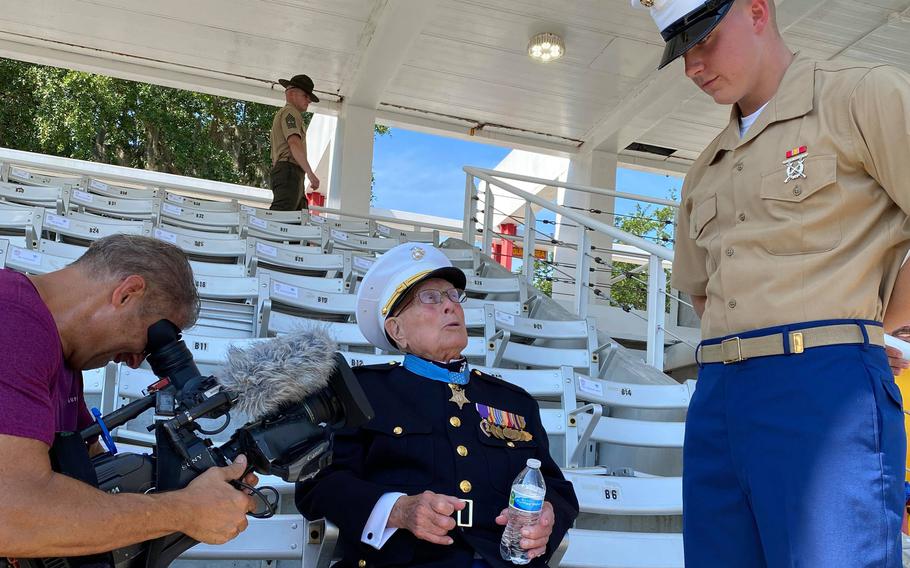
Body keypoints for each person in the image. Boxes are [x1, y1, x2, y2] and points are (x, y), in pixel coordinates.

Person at [638, 0, 910, 565]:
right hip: (718, 392)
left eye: (705, 39)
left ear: (757, 10)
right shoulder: (704, 167)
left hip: (824, 384)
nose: (692, 66)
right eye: (681, 50)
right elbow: (701, 288)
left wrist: (871, 328)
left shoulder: (861, 96)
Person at [295, 243, 578, 568]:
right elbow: (318, 485)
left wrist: (548, 517)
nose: (450, 307)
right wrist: (398, 510)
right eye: (430, 298)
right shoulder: (360, 391)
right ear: (396, 330)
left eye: (453, 296)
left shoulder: (513, 401)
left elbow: (556, 488)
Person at [0, 234, 257, 558]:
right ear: (126, 294)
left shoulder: (61, 354)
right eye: (149, 339)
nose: (137, 360)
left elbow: (86, 474)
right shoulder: (12, 322)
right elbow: (12, 517)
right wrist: (185, 511)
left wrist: (195, 482)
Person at [269, 73, 320, 211]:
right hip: (289, 170)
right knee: (281, 217)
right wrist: (310, 172)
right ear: (291, 93)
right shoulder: (290, 112)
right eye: (306, 96)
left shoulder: (289, 113)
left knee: (298, 219)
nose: (309, 100)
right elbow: (294, 143)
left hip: (291, 172)